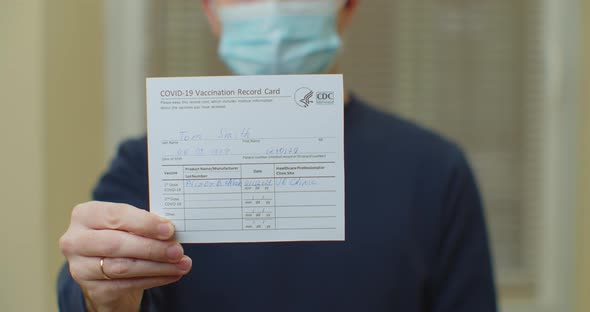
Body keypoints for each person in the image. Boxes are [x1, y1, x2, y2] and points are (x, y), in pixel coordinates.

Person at [57, 0, 498, 311]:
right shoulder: (145, 165)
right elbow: (92, 291)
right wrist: (102, 292)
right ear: (211, 12)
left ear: (348, 6)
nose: (273, 12)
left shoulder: (435, 171)